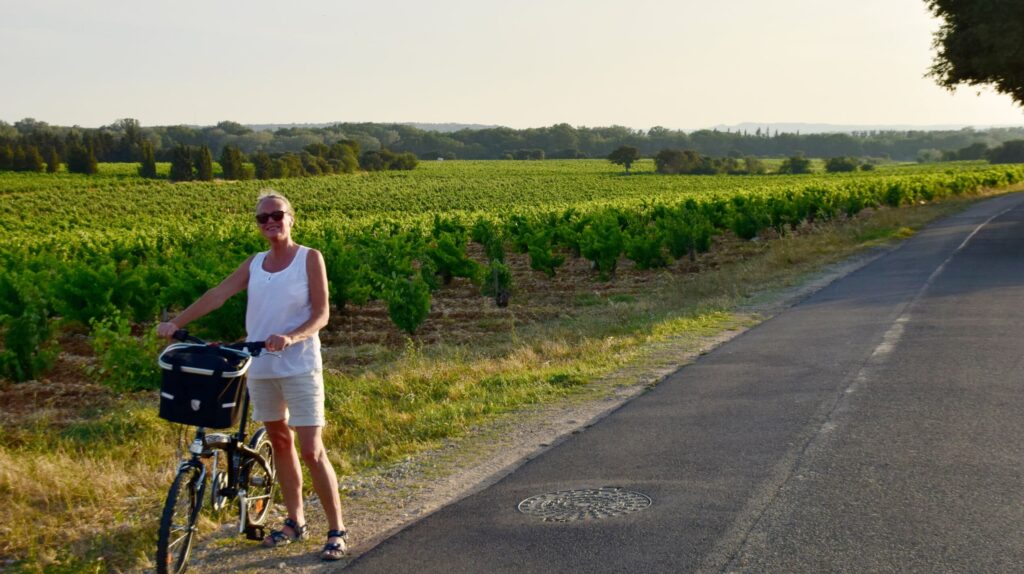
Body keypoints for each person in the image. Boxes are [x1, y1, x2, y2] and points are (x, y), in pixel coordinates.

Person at [156, 190, 348, 561]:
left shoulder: (309, 258)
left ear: (291, 217)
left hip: (300, 364)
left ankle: (337, 529)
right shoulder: (256, 263)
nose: (270, 221)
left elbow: (322, 314)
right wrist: (176, 322)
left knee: (311, 449)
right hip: (258, 365)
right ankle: (295, 521)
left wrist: (291, 337)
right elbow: (217, 295)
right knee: (278, 440)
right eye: (263, 218)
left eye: (277, 214)